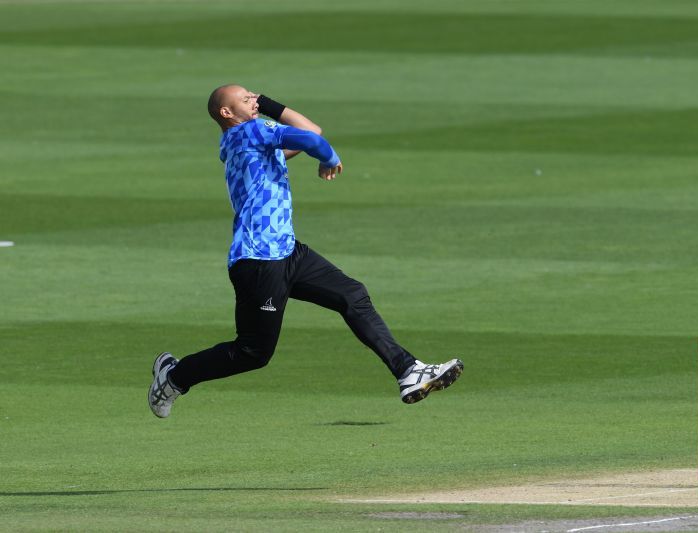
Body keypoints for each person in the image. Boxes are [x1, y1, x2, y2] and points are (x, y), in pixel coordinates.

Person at [148, 84, 463, 418]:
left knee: (351, 294)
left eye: (254, 97)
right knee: (253, 353)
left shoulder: (252, 144)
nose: (254, 101)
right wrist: (330, 157)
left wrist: (266, 102)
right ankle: (173, 378)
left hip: (288, 252)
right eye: (245, 99)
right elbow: (314, 141)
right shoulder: (250, 132)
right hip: (259, 261)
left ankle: (407, 371)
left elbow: (310, 130)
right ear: (226, 113)